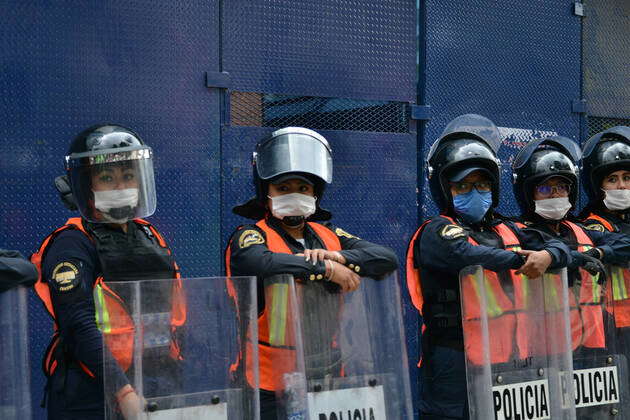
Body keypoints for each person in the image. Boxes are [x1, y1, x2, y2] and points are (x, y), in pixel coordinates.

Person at [225, 126, 399, 420]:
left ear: (315, 194)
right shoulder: (250, 235)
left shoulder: (329, 234)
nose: (295, 195)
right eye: (283, 188)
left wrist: (340, 256)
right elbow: (259, 262)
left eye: (303, 189)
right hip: (268, 380)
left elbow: (386, 258)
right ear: (265, 193)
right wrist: (326, 269)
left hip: (327, 371)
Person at [406, 114, 572, 420]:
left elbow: (559, 246)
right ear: (445, 190)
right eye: (463, 186)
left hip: (509, 355)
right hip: (453, 360)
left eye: (482, 183)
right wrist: (523, 259)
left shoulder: (506, 228)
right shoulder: (436, 231)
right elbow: (467, 254)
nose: (475, 191)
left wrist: (548, 256)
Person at [30, 124, 184, 420]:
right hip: (92, 392)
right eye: (106, 177)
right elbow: (78, 324)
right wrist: (122, 390)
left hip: (151, 384)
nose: (120, 186)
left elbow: (172, 313)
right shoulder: (72, 243)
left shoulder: (150, 236)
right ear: (87, 187)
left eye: (127, 176)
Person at [512, 134, 630, 416]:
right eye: (545, 188)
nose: (555, 195)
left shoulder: (575, 230)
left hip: (590, 339)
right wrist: (566, 255)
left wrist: (597, 254)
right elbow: (559, 251)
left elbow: (617, 245)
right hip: (541, 345)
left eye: (562, 188)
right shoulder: (519, 231)